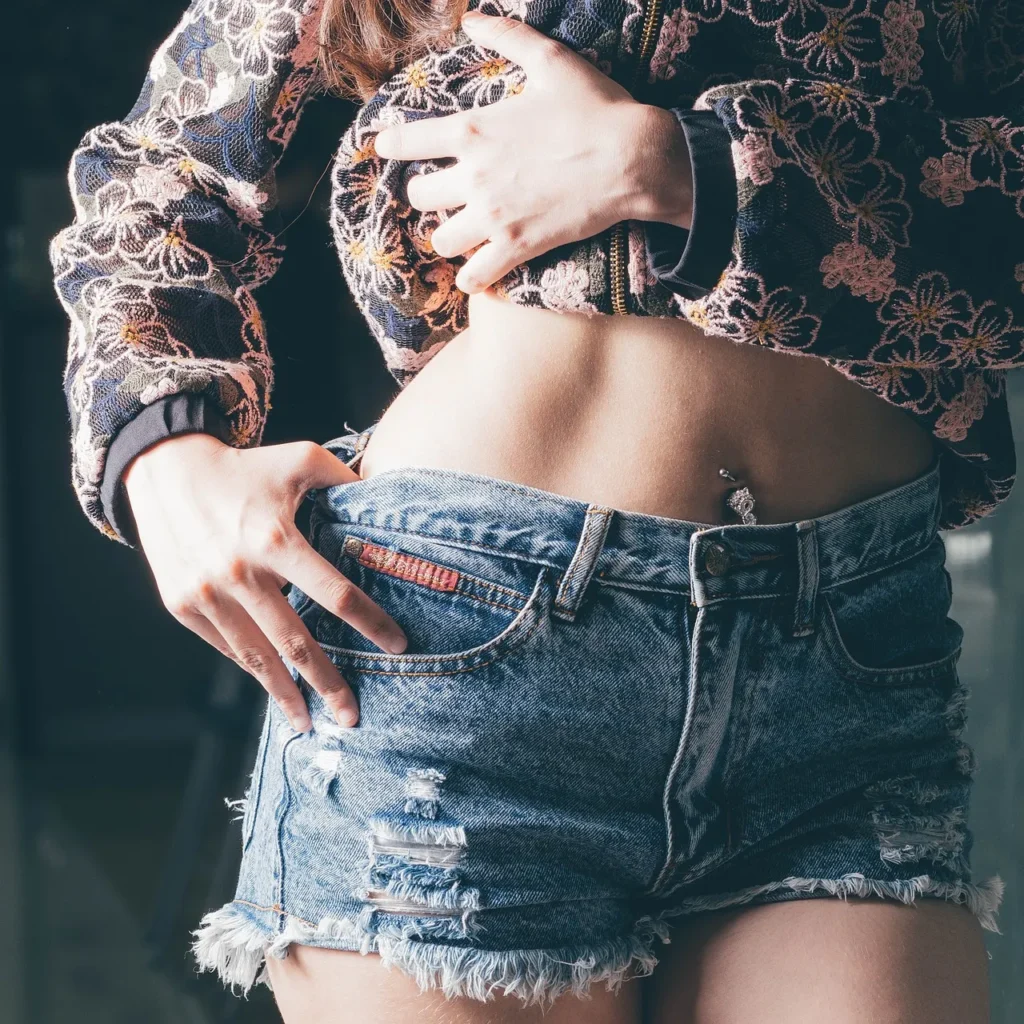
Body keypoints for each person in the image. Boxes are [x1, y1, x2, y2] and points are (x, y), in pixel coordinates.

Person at [49, 0, 1021, 1020]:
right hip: (461, 645)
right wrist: (163, 451)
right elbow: (164, 172)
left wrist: (696, 172)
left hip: (843, 674)